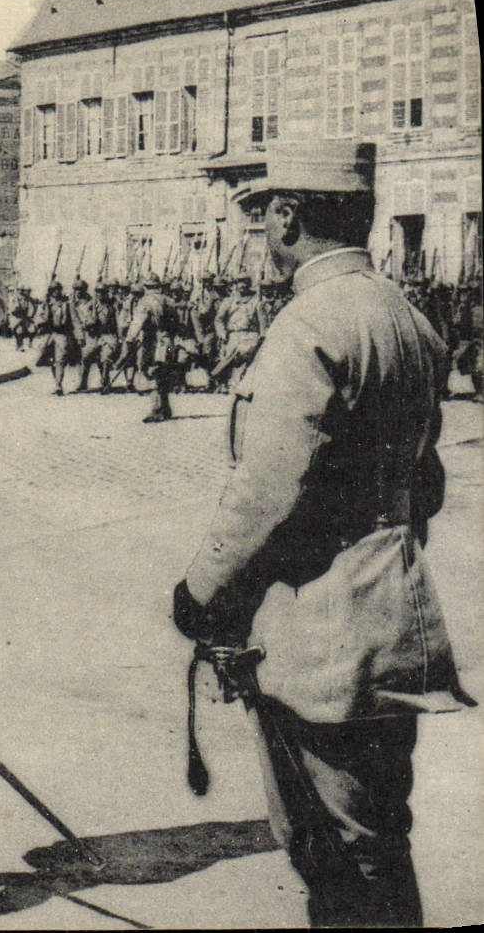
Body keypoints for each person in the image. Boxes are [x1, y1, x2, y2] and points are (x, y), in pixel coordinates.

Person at [171, 142, 470, 929]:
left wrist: (198, 591)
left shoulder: (309, 323)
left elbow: (264, 489)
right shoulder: (404, 316)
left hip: (317, 623)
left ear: (287, 215)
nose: (262, 236)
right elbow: (425, 480)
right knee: (372, 837)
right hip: (390, 604)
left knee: (332, 848)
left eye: (262, 217)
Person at [123, 274, 182, 423]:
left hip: (153, 342)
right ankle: (166, 407)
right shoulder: (170, 301)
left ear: (146, 287)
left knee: (152, 371)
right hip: (168, 342)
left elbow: (137, 323)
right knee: (163, 371)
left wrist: (130, 340)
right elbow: (176, 324)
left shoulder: (144, 302)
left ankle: (156, 409)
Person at [208, 274, 263, 391]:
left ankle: (227, 378)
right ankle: (224, 380)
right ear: (236, 284)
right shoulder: (229, 301)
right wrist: (222, 334)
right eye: (239, 282)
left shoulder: (256, 302)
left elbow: (262, 324)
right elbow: (219, 320)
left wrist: (259, 338)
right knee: (230, 354)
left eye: (245, 282)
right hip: (232, 335)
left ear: (249, 284)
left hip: (250, 336)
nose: (242, 285)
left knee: (242, 353)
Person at [38, 279, 76, 395]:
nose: (56, 292)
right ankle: (57, 382)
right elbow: (39, 319)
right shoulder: (46, 304)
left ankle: (58, 385)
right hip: (48, 335)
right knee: (50, 360)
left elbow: (74, 320)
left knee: (60, 360)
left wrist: (78, 336)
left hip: (61, 334)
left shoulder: (66, 304)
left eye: (58, 290)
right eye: (54, 290)